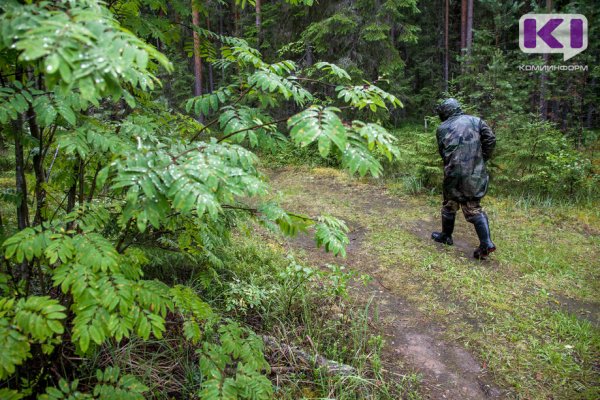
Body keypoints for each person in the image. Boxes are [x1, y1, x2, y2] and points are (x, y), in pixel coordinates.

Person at [431, 98, 497, 259]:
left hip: (452, 172)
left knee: (449, 204)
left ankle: (447, 236)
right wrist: (481, 159)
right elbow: (491, 139)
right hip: (474, 172)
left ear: (445, 111)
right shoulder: (477, 121)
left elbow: (443, 151)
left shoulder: (442, 128)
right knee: (472, 206)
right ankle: (485, 242)